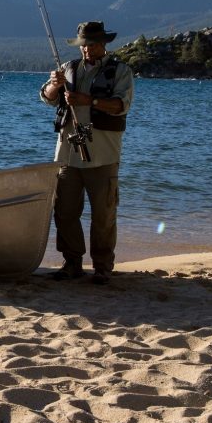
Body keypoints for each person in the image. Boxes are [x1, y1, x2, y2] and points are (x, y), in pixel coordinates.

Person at [40, 21, 134, 285]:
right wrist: (55, 86)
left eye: (91, 45)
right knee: (65, 212)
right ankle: (72, 263)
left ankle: (103, 268)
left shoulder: (121, 71)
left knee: (104, 215)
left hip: (104, 155)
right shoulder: (67, 69)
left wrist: (88, 101)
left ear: (104, 44)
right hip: (68, 154)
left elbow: (120, 106)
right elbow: (46, 97)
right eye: (83, 45)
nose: (86, 50)